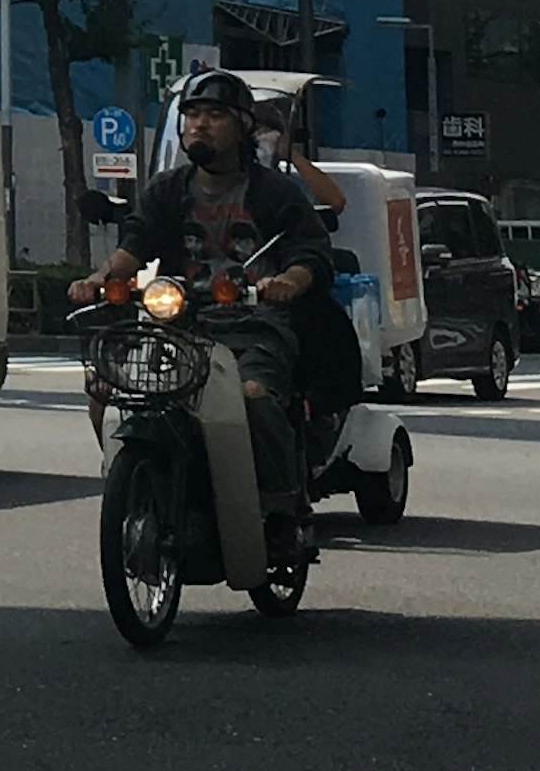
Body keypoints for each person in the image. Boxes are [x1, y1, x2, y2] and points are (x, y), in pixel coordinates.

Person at [80, 72, 357, 481]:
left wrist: (287, 283)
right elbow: (135, 246)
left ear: (243, 126)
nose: (199, 124)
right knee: (106, 388)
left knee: (256, 398)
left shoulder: (274, 192)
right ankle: (130, 474)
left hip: (257, 330)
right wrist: (98, 277)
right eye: (191, 115)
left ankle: (280, 508)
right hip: (179, 330)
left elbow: (310, 255)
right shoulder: (167, 189)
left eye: (214, 114)